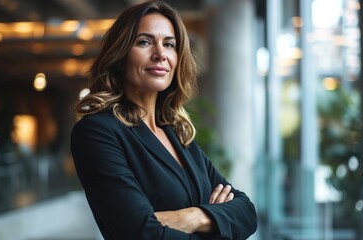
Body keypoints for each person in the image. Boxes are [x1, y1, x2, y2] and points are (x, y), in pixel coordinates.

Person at [70, 1, 258, 239]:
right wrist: (216, 221)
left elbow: (247, 212)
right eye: (144, 42)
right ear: (120, 55)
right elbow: (141, 233)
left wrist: (191, 217)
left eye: (169, 44)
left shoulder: (178, 134)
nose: (160, 54)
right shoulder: (97, 132)